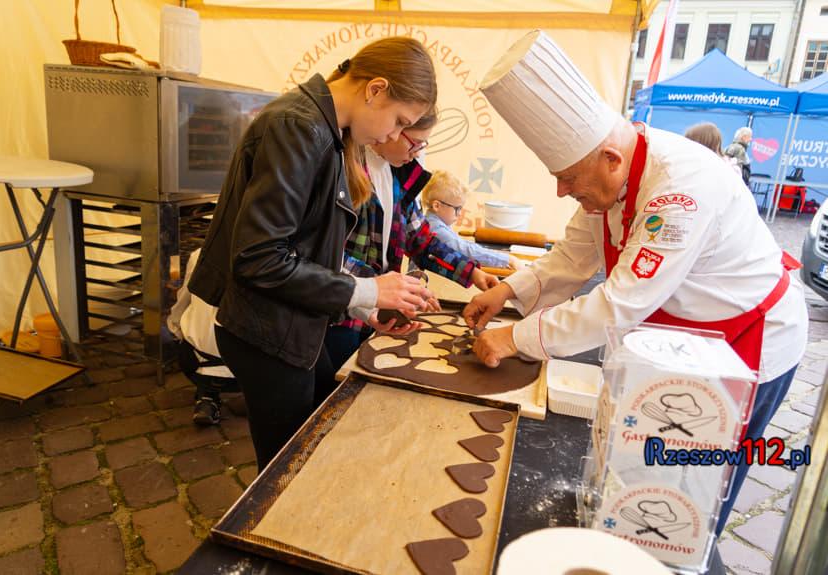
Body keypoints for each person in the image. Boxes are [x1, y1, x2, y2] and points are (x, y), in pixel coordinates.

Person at [466, 30, 808, 535]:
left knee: (694, 500)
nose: (561, 190)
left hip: (747, 344)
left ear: (611, 158)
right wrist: (508, 290)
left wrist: (513, 338)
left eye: (568, 177)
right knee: (647, 478)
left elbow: (617, 304)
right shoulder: (610, 179)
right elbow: (572, 257)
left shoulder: (680, 192)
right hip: (681, 341)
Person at [188, 37, 437, 468]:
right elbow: (260, 257)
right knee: (287, 468)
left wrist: (362, 308)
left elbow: (309, 248)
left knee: (316, 438)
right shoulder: (297, 128)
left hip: (295, 323)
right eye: (399, 121)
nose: (395, 136)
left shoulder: (328, 132)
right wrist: (367, 290)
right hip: (267, 330)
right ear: (375, 89)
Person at [325, 114, 499, 368]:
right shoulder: (347, 171)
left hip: (378, 310)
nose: (417, 153)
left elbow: (422, 241)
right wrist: (381, 288)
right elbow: (329, 255)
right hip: (339, 315)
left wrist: (472, 273)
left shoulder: (400, 176)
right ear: (391, 129)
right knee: (338, 372)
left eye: (423, 146)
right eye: (415, 143)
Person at [167, 248, 237, 426]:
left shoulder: (200, 254)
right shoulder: (276, 255)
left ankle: (207, 397)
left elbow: (182, 301)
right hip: (256, 371)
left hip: (198, 365)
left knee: (183, 324)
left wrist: (175, 329)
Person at [421, 170, 526, 270]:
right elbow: (466, 250)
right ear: (437, 206)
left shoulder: (438, 224)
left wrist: (500, 256)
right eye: (457, 209)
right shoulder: (435, 229)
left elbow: (464, 244)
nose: (460, 213)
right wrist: (507, 260)